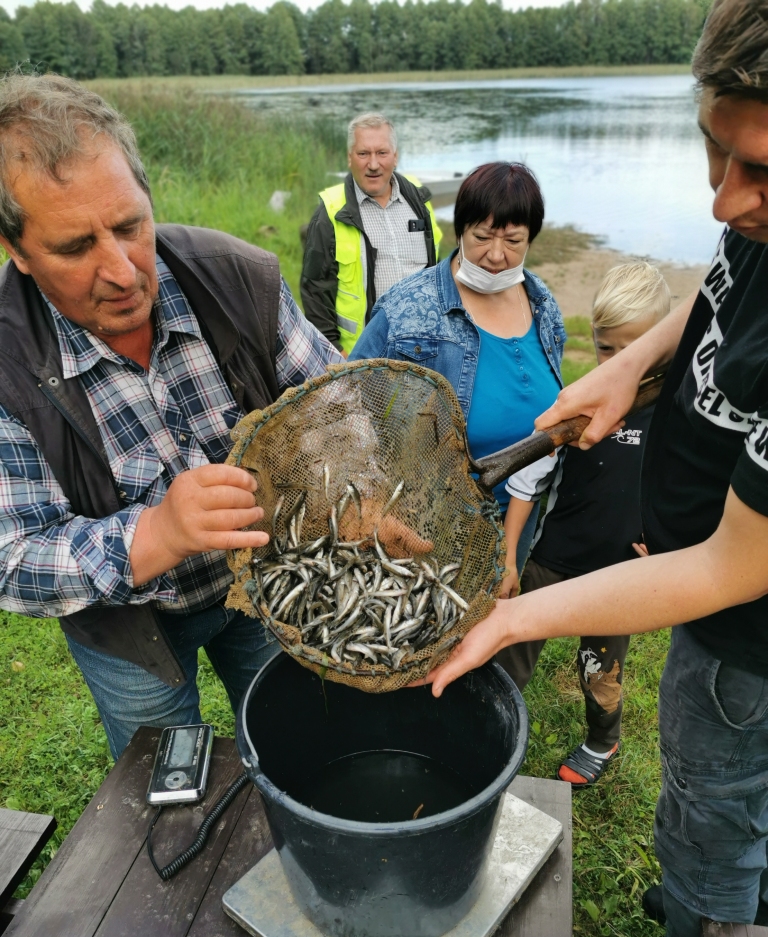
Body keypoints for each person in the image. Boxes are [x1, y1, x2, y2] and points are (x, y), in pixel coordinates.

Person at [417, 0, 768, 937]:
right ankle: (718, 891)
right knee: (719, 809)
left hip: (747, 633)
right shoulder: (752, 225)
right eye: (716, 152)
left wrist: (514, 612)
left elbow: (732, 566)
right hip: (711, 613)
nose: (724, 199)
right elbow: (720, 287)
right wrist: (633, 369)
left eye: (761, 175)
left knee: (718, 794)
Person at [0, 72, 343, 761]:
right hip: (130, 634)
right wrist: (154, 534)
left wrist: (355, 485)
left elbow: (337, 405)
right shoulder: (5, 364)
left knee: (297, 741)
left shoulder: (238, 276)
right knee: (160, 784)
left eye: (130, 226)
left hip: (266, 582)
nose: (123, 272)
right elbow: (11, 557)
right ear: (18, 254)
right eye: (74, 248)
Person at [497, 262, 670, 787]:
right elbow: (528, 482)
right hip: (553, 558)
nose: (617, 363)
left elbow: (696, 492)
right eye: (606, 348)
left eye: (633, 349)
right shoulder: (579, 405)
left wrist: (670, 545)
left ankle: (602, 740)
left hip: (620, 573)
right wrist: (509, 558)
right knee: (511, 649)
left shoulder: (675, 415)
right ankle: (494, 720)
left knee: (600, 670)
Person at [351, 160, 566, 572]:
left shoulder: (543, 305)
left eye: (514, 241)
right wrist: (370, 494)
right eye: (482, 237)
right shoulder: (409, 309)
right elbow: (344, 396)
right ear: (460, 231)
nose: (497, 255)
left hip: (520, 514)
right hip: (432, 523)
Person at [300, 112, 442, 354]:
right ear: (349, 157)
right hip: (362, 354)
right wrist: (334, 350)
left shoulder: (419, 200)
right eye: (363, 153)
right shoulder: (331, 212)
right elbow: (314, 291)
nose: (373, 164)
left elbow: (437, 270)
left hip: (423, 346)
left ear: (395, 157)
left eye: (382, 153)